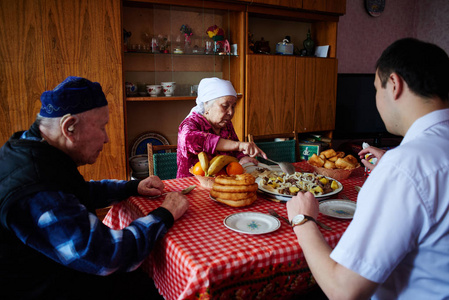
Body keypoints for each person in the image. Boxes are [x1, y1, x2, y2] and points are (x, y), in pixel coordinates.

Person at [286, 38, 449, 299]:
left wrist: (302, 220)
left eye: (376, 88)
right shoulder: (416, 161)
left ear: (394, 85)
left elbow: (343, 291)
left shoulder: (405, 167)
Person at [0, 76, 189, 299]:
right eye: (102, 127)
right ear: (69, 127)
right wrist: (165, 214)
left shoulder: (30, 147)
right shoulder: (37, 189)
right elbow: (108, 254)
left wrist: (132, 187)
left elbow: (78, 191)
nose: (107, 138)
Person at [177, 77, 266, 178]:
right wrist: (240, 145)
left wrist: (242, 158)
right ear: (207, 105)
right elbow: (190, 139)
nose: (231, 112)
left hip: (224, 182)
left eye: (233, 106)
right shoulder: (190, 123)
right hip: (192, 185)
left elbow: (234, 149)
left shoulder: (226, 124)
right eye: (225, 106)